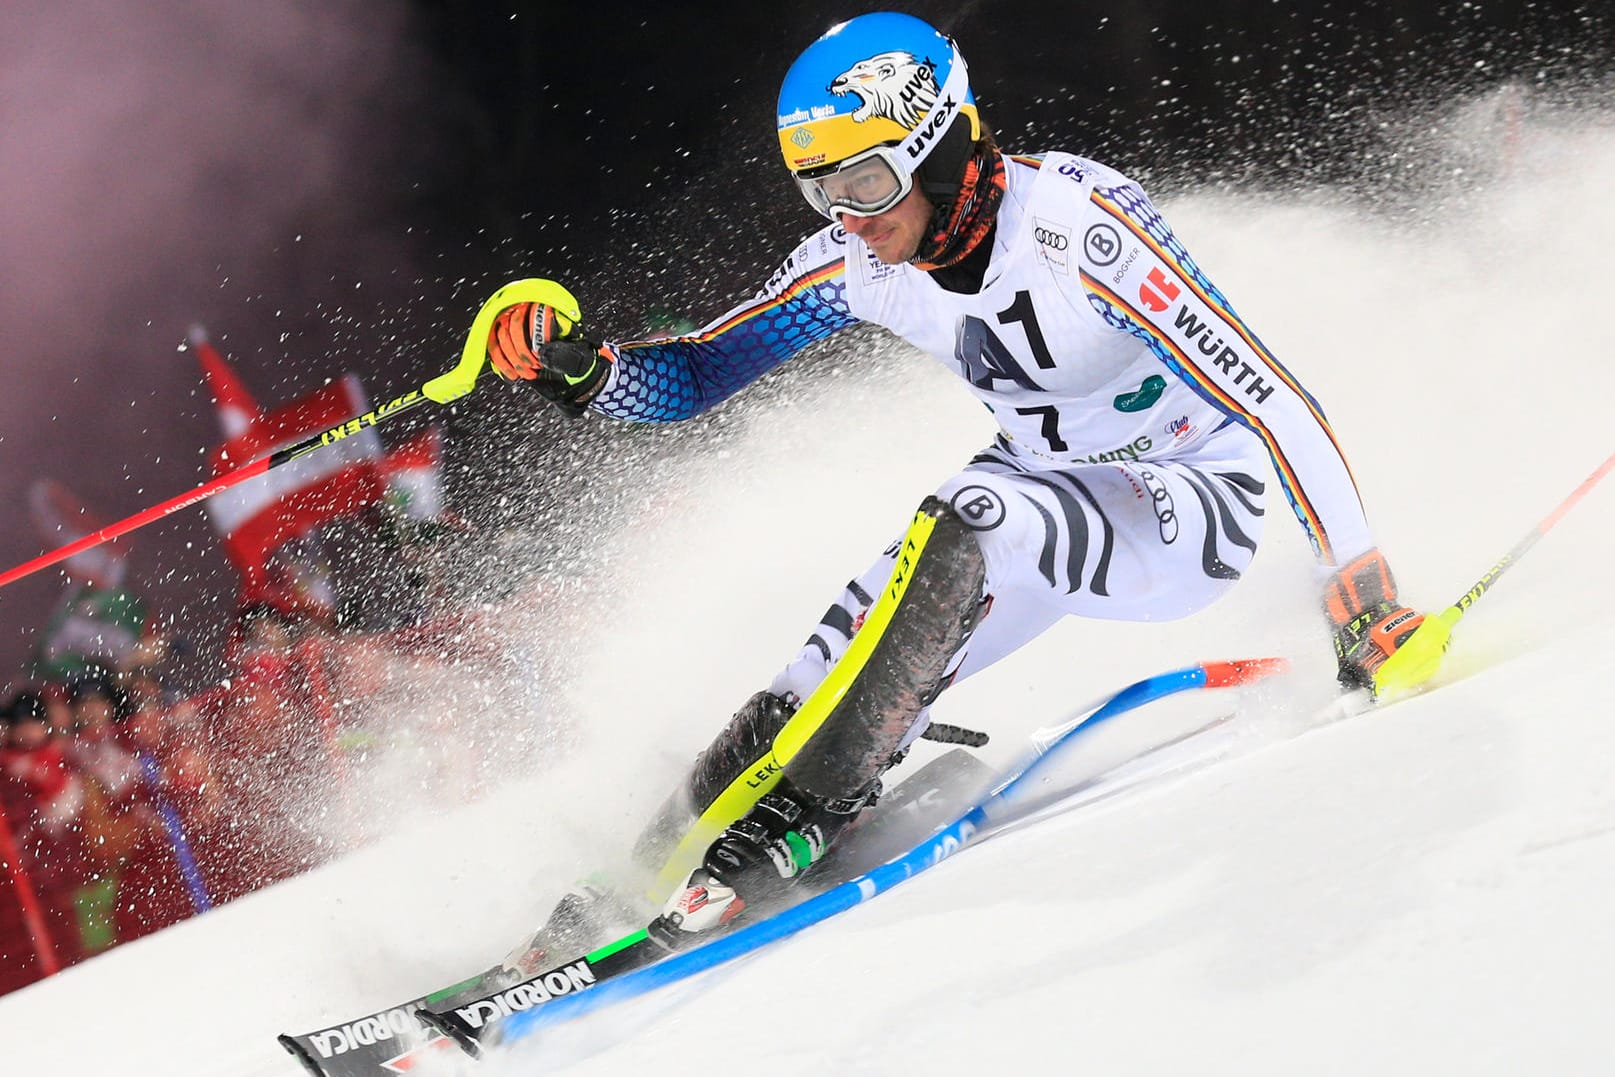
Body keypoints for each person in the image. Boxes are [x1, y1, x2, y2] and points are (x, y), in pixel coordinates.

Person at [485, 12, 1446, 954]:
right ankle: (643, 869)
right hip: (1036, 487)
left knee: (966, 515)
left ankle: (817, 807)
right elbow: (692, 376)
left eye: (866, 181)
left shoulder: (1081, 230)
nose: (851, 220)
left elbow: (1269, 392)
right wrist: (582, 370)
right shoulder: (857, 261)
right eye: (822, 192)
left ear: (943, 144)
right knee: (821, 666)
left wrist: (1358, 588)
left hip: (1185, 498)